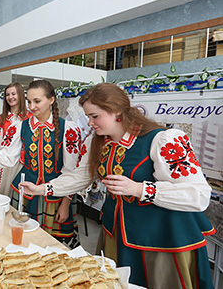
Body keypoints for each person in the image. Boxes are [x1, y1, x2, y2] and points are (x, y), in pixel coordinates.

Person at [21, 83, 215, 289]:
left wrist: (140, 189)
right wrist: (42, 189)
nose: (90, 122)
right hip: (116, 233)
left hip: (162, 238)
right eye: (88, 116)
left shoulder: (163, 139)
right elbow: (80, 177)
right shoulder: (97, 143)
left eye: (95, 116)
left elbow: (199, 195)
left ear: (116, 112)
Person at [0, 79, 82, 248]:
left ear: (51, 100)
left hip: (56, 195)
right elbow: (9, 157)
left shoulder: (68, 129)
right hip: (25, 192)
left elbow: (72, 171)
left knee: (52, 247)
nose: (32, 106)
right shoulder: (21, 126)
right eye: (29, 101)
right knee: (22, 241)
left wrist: (66, 202)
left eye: (37, 101)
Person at [0, 82, 31, 196]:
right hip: (5, 164)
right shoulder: (2, 119)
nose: (10, 97)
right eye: (7, 95)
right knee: (4, 195)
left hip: (24, 165)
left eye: (13, 93)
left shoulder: (30, 118)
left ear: (21, 95)